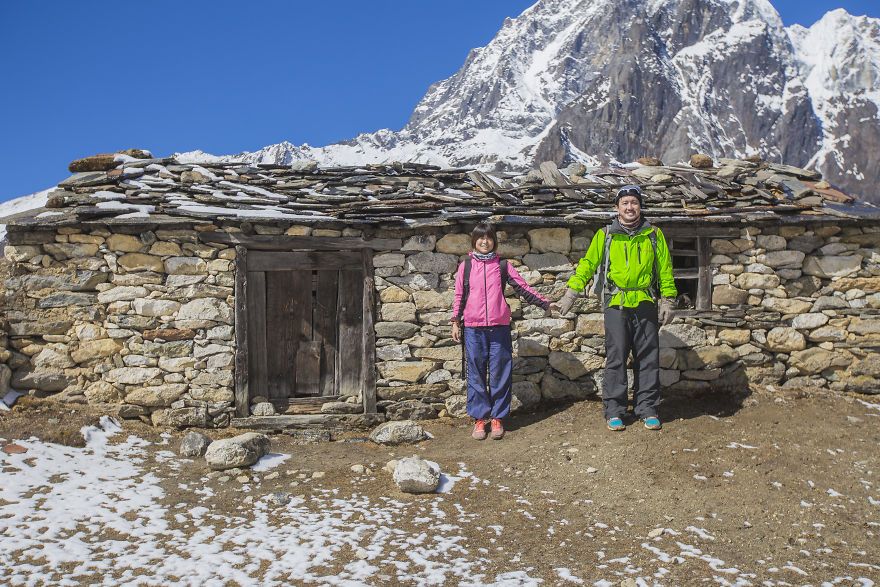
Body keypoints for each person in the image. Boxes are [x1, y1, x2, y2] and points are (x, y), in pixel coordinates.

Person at [555, 185, 676, 431]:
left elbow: (664, 268)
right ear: (617, 208)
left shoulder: (653, 234)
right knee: (616, 357)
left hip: (645, 302)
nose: (630, 207)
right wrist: (570, 296)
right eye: (625, 203)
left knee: (648, 357)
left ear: (640, 206)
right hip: (615, 304)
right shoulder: (606, 234)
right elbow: (587, 265)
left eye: (634, 202)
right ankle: (614, 410)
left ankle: (647, 408)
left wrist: (669, 299)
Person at [451, 222, 560, 440]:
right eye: (480, 238)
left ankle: (498, 417)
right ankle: (480, 419)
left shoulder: (502, 265)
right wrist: (455, 320)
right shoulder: (467, 266)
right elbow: (459, 296)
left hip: (499, 328)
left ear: (494, 241)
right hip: (473, 329)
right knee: (477, 374)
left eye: (489, 238)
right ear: (474, 241)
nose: (485, 242)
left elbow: (523, 287)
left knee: (501, 373)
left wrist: (546, 304)